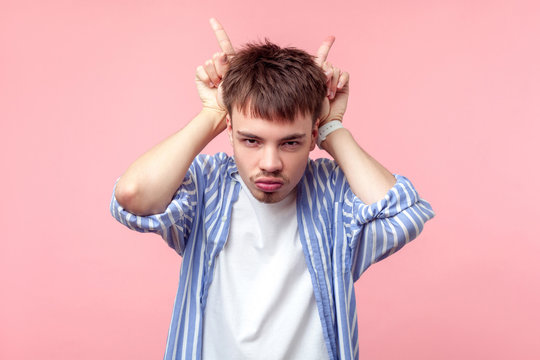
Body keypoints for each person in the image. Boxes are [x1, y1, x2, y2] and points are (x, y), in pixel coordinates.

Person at [110, 18, 435, 360]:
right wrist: (212, 112)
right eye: (251, 140)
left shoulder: (334, 195)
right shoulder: (206, 187)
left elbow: (405, 214)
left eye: (290, 143)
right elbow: (133, 196)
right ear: (230, 129)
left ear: (312, 137)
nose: (270, 163)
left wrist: (333, 127)